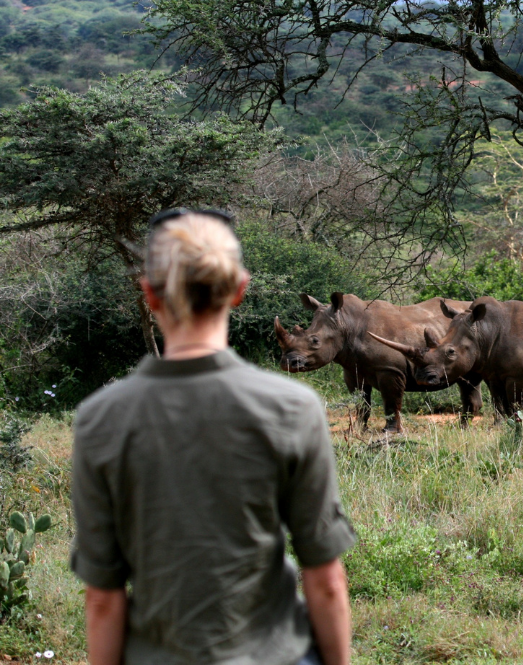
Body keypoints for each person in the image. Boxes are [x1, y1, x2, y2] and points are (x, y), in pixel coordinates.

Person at [71, 209, 355, 665]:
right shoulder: (291, 408)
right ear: (239, 289)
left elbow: (103, 599)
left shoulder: (99, 418)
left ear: (149, 294)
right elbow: (325, 580)